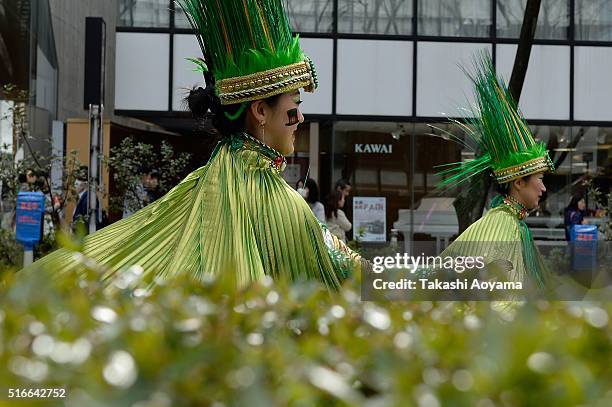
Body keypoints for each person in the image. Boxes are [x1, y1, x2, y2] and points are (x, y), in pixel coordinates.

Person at [31, 0, 364, 288]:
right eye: (295, 107)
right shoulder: (277, 201)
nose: (301, 120)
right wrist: (410, 282)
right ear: (260, 111)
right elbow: (345, 271)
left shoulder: (203, 181)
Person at [434, 54, 555, 289]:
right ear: (519, 182)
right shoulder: (504, 225)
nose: (543, 187)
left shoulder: (507, 221)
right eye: (539, 179)